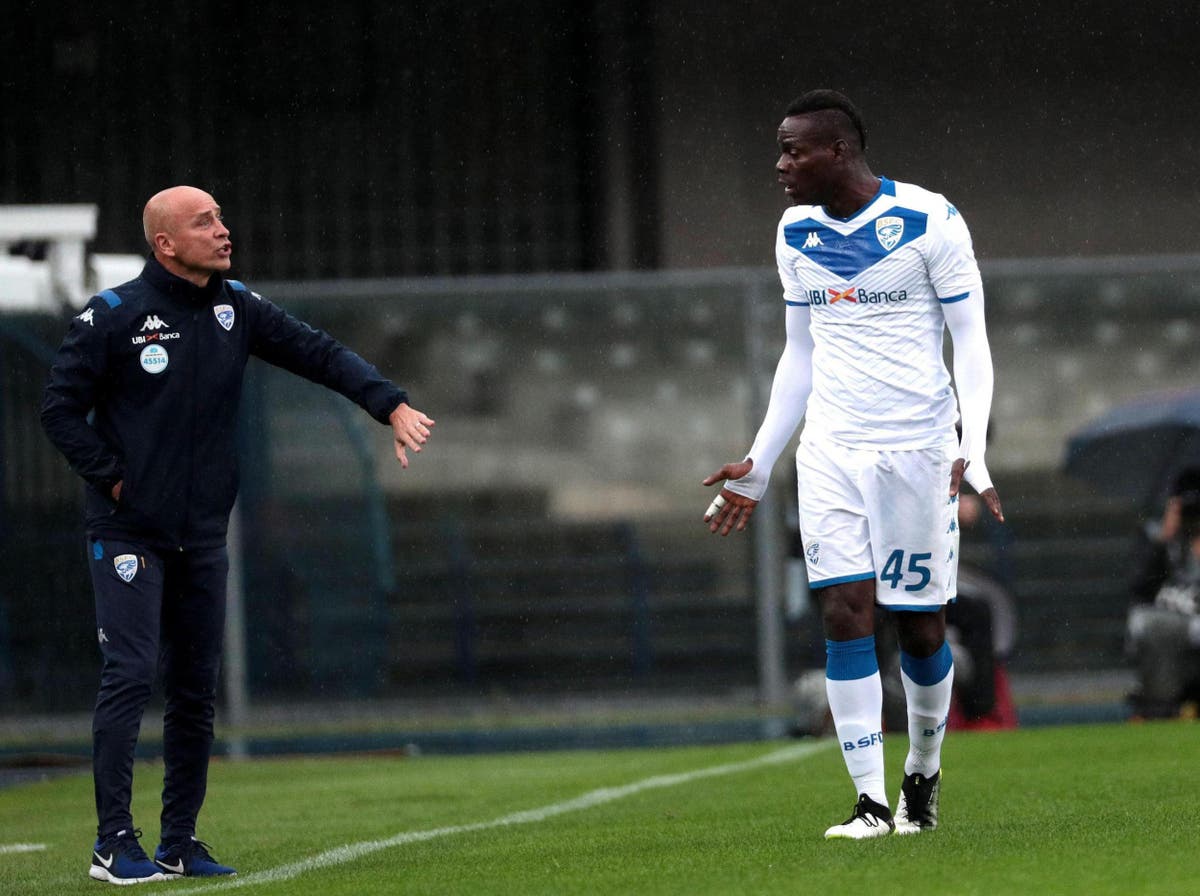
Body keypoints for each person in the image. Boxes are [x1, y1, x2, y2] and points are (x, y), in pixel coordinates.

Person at [41, 186, 434, 884]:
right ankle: (112, 843)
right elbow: (59, 409)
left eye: (220, 217)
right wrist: (114, 477)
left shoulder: (236, 307)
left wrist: (389, 401)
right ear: (165, 244)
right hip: (127, 529)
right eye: (205, 222)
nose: (224, 231)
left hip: (200, 533)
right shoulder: (114, 316)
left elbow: (319, 353)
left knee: (195, 690)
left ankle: (179, 842)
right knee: (130, 674)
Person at [703, 91, 1002, 839]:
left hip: (918, 448)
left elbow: (971, 340)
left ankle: (923, 773)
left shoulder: (932, 220)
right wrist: (762, 460)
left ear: (837, 151)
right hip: (832, 448)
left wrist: (977, 444)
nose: (780, 166)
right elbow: (798, 355)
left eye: (792, 151)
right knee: (844, 614)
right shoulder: (794, 229)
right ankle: (870, 803)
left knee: (921, 628)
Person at [1125, 467, 1200, 720]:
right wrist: (1163, 539)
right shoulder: (1162, 541)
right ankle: (1160, 708)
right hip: (1170, 627)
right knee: (1149, 624)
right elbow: (1138, 588)